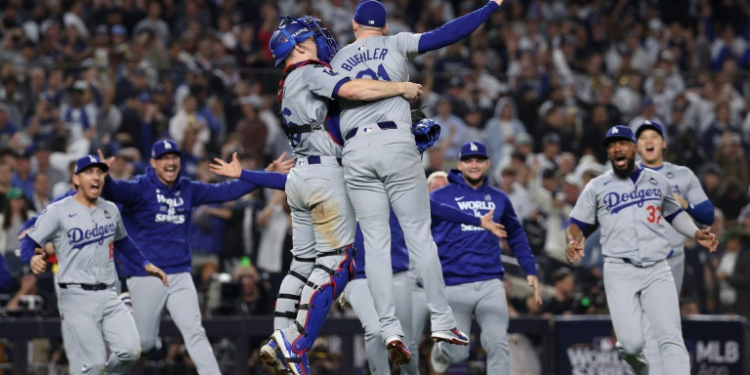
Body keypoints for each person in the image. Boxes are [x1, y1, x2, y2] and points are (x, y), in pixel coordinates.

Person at [233, 14, 420, 375]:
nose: (323, 42)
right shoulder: (309, 70)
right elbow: (351, 90)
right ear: (300, 45)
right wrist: (400, 88)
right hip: (325, 177)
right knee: (339, 264)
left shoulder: (287, 82)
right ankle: (295, 342)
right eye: (315, 38)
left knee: (303, 265)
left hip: (301, 177)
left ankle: (281, 338)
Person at [328, 0, 507, 355]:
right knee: (419, 238)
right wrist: (489, 7)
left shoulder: (336, 61)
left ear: (354, 25)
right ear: (383, 26)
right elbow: (448, 34)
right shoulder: (395, 43)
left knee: (376, 243)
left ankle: (389, 328)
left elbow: (330, 121)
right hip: (395, 141)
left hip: (355, 150)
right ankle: (442, 321)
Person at [97, 140, 269, 375]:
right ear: (153, 163)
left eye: (174, 157)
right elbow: (114, 191)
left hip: (180, 272)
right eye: (165, 158)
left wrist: (266, 174)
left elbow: (225, 191)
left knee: (194, 330)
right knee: (143, 344)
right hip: (147, 274)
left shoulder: (187, 187)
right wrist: (104, 177)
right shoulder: (140, 187)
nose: (171, 162)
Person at [566, 125, 719, 375]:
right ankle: (640, 369)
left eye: (623, 142)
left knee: (671, 337)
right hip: (619, 270)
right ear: (608, 153)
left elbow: (673, 213)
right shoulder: (597, 186)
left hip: (657, 268)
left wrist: (695, 232)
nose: (618, 148)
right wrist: (572, 241)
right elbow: (576, 224)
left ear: (634, 148)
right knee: (632, 346)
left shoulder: (657, 181)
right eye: (612, 145)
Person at [19, 155, 168, 375]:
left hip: (108, 293)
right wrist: (31, 257)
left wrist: (145, 263)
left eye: (99, 172)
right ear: (76, 179)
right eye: (89, 172)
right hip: (75, 294)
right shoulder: (58, 210)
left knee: (131, 351)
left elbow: (123, 241)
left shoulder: (110, 210)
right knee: (94, 362)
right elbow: (28, 242)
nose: (95, 177)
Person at [344, 193, 507, 374]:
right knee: (375, 331)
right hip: (359, 277)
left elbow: (436, 208)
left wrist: (477, 221)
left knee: (406, 345)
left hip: (396, 274)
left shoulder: (392, 189)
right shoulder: (342, 190)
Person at [420, 141, 540, 374]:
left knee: (498, 343)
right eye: (468, 160)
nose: (473, 165)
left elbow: (516, 235)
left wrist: (530, 269)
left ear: (488, 163)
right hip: (453, 282)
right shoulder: (439, 196)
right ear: (459, 164)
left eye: (478, 160)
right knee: (458, 352)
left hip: (490, 282)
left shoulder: (499, 197)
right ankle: (442, 351)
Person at [635, 120, 715, 374]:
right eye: (643, 137)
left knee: (666, 323)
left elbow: (708, 214)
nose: (649, 141)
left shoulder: (682, 174)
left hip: (674, 258)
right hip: (640, 259)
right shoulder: (624, 175)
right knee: (642, 327)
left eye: (654, 136)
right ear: (636, 146)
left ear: (664, 143)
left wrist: (687, 206)